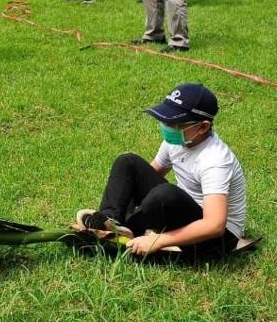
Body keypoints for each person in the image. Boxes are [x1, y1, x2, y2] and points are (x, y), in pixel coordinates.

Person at [75, 83, 246, 260]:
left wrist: (158, 240)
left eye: (174, 123)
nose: (166, 126)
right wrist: (124, 199)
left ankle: (126, 232)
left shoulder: (215, 160)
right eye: (165, 120)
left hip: (217, 240)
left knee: (164, 195)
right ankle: (110, 224)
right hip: (185, 214)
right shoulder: (178, 141)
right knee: (128, 162)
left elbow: (214, 225)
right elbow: (145, 175)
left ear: (202, 127)